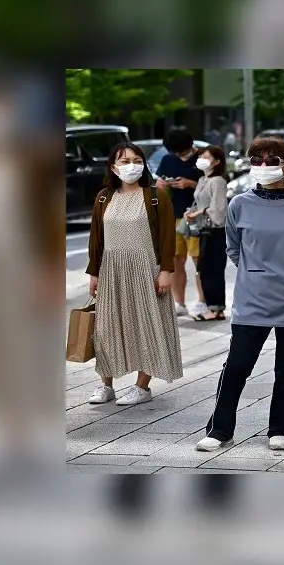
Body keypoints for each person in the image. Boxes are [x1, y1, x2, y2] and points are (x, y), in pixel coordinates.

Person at [196, 137, 284, 453]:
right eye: (256, 160)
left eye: (272, 160)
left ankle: (282, 428)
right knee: (237, 365)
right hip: (252, 298)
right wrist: (254, 275)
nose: (263, 166)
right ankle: (220, 430)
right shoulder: (239, 203)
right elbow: (233, 247)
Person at [86, 143, 183, 406]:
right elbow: (96, 239)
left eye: (136, 160)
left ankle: (142, 386)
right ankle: (105, 384)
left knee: (148, 325)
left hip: (146, 269)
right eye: (125, 161)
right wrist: (94, 272)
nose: (132, 166)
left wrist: (165, 271)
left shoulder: (155, 196)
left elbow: (167, 238)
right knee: (105, 329)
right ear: (113, 167)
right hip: (111, 269)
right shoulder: (104, 197)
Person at [155, 129, 203, 317]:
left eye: (182, 152)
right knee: (176, 259)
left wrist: (190, 184)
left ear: (190, 146)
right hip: (172, 215)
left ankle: (203, 301)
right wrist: (161, 184)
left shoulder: (203, 159)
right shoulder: (168, 160)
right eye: (176, 152)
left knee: (199, 260)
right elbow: (158, 180)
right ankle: (179, 302)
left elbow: (216, 184)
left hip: (196, 215)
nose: (179, 156)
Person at [185, 145, 229, 321]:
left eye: (208, 157)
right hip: (204, 229)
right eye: (201, 155)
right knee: (204, 269)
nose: (202, 159)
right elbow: (201, 202)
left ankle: (216, 307)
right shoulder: (204, 180)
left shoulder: (218, 181)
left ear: (217, 162)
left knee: (213, 269)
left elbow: (219, 209)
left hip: (215, 230)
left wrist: (200, 213)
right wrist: (192, 211)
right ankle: (214, 308)